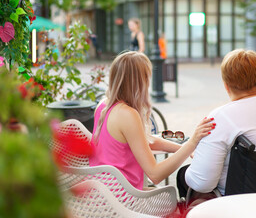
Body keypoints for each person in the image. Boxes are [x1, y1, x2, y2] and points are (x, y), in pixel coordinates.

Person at [176, 49, 256, 199]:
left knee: (183, 175)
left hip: (240, 199)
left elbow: (203, 183)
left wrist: (199, 158)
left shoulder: (221, 117)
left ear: (226, 85)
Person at [89, 51, 215, 189]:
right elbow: (155, 174)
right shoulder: (127, 114)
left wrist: (184, 148)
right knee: (173, 195)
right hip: (125, 197)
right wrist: (192, 143)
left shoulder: (103, 105)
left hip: (102, 193)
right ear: (139, 82)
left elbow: (146, 141)